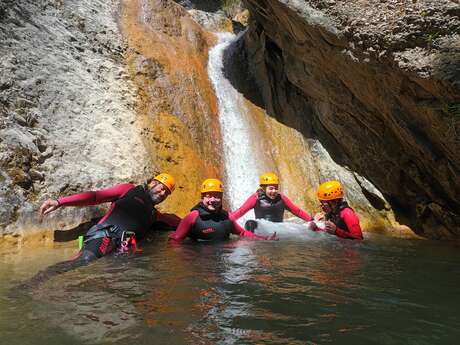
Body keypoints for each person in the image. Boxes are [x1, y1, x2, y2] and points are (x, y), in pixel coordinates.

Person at [168, 178, 277, 242]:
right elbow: (175, 240)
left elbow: (243, 233)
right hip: (198, 264)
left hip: (222, 262)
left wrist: (264, 239)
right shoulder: (193, 217)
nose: (213, 200)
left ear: (221, 198)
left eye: (217, 196)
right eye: (209, 196)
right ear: (202, 197)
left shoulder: (227, 217)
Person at [229, 172, 313, 232]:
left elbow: (297, 211)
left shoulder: (282, 198)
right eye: (271, 188)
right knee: (250, 223)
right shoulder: (256, 198)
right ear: (263, 188)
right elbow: (241, 211)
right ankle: (253, 243)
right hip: (262, 229)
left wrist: (311, 220)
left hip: (279, 228)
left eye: (276, 188)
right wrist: (227, 219)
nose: (274, 191)